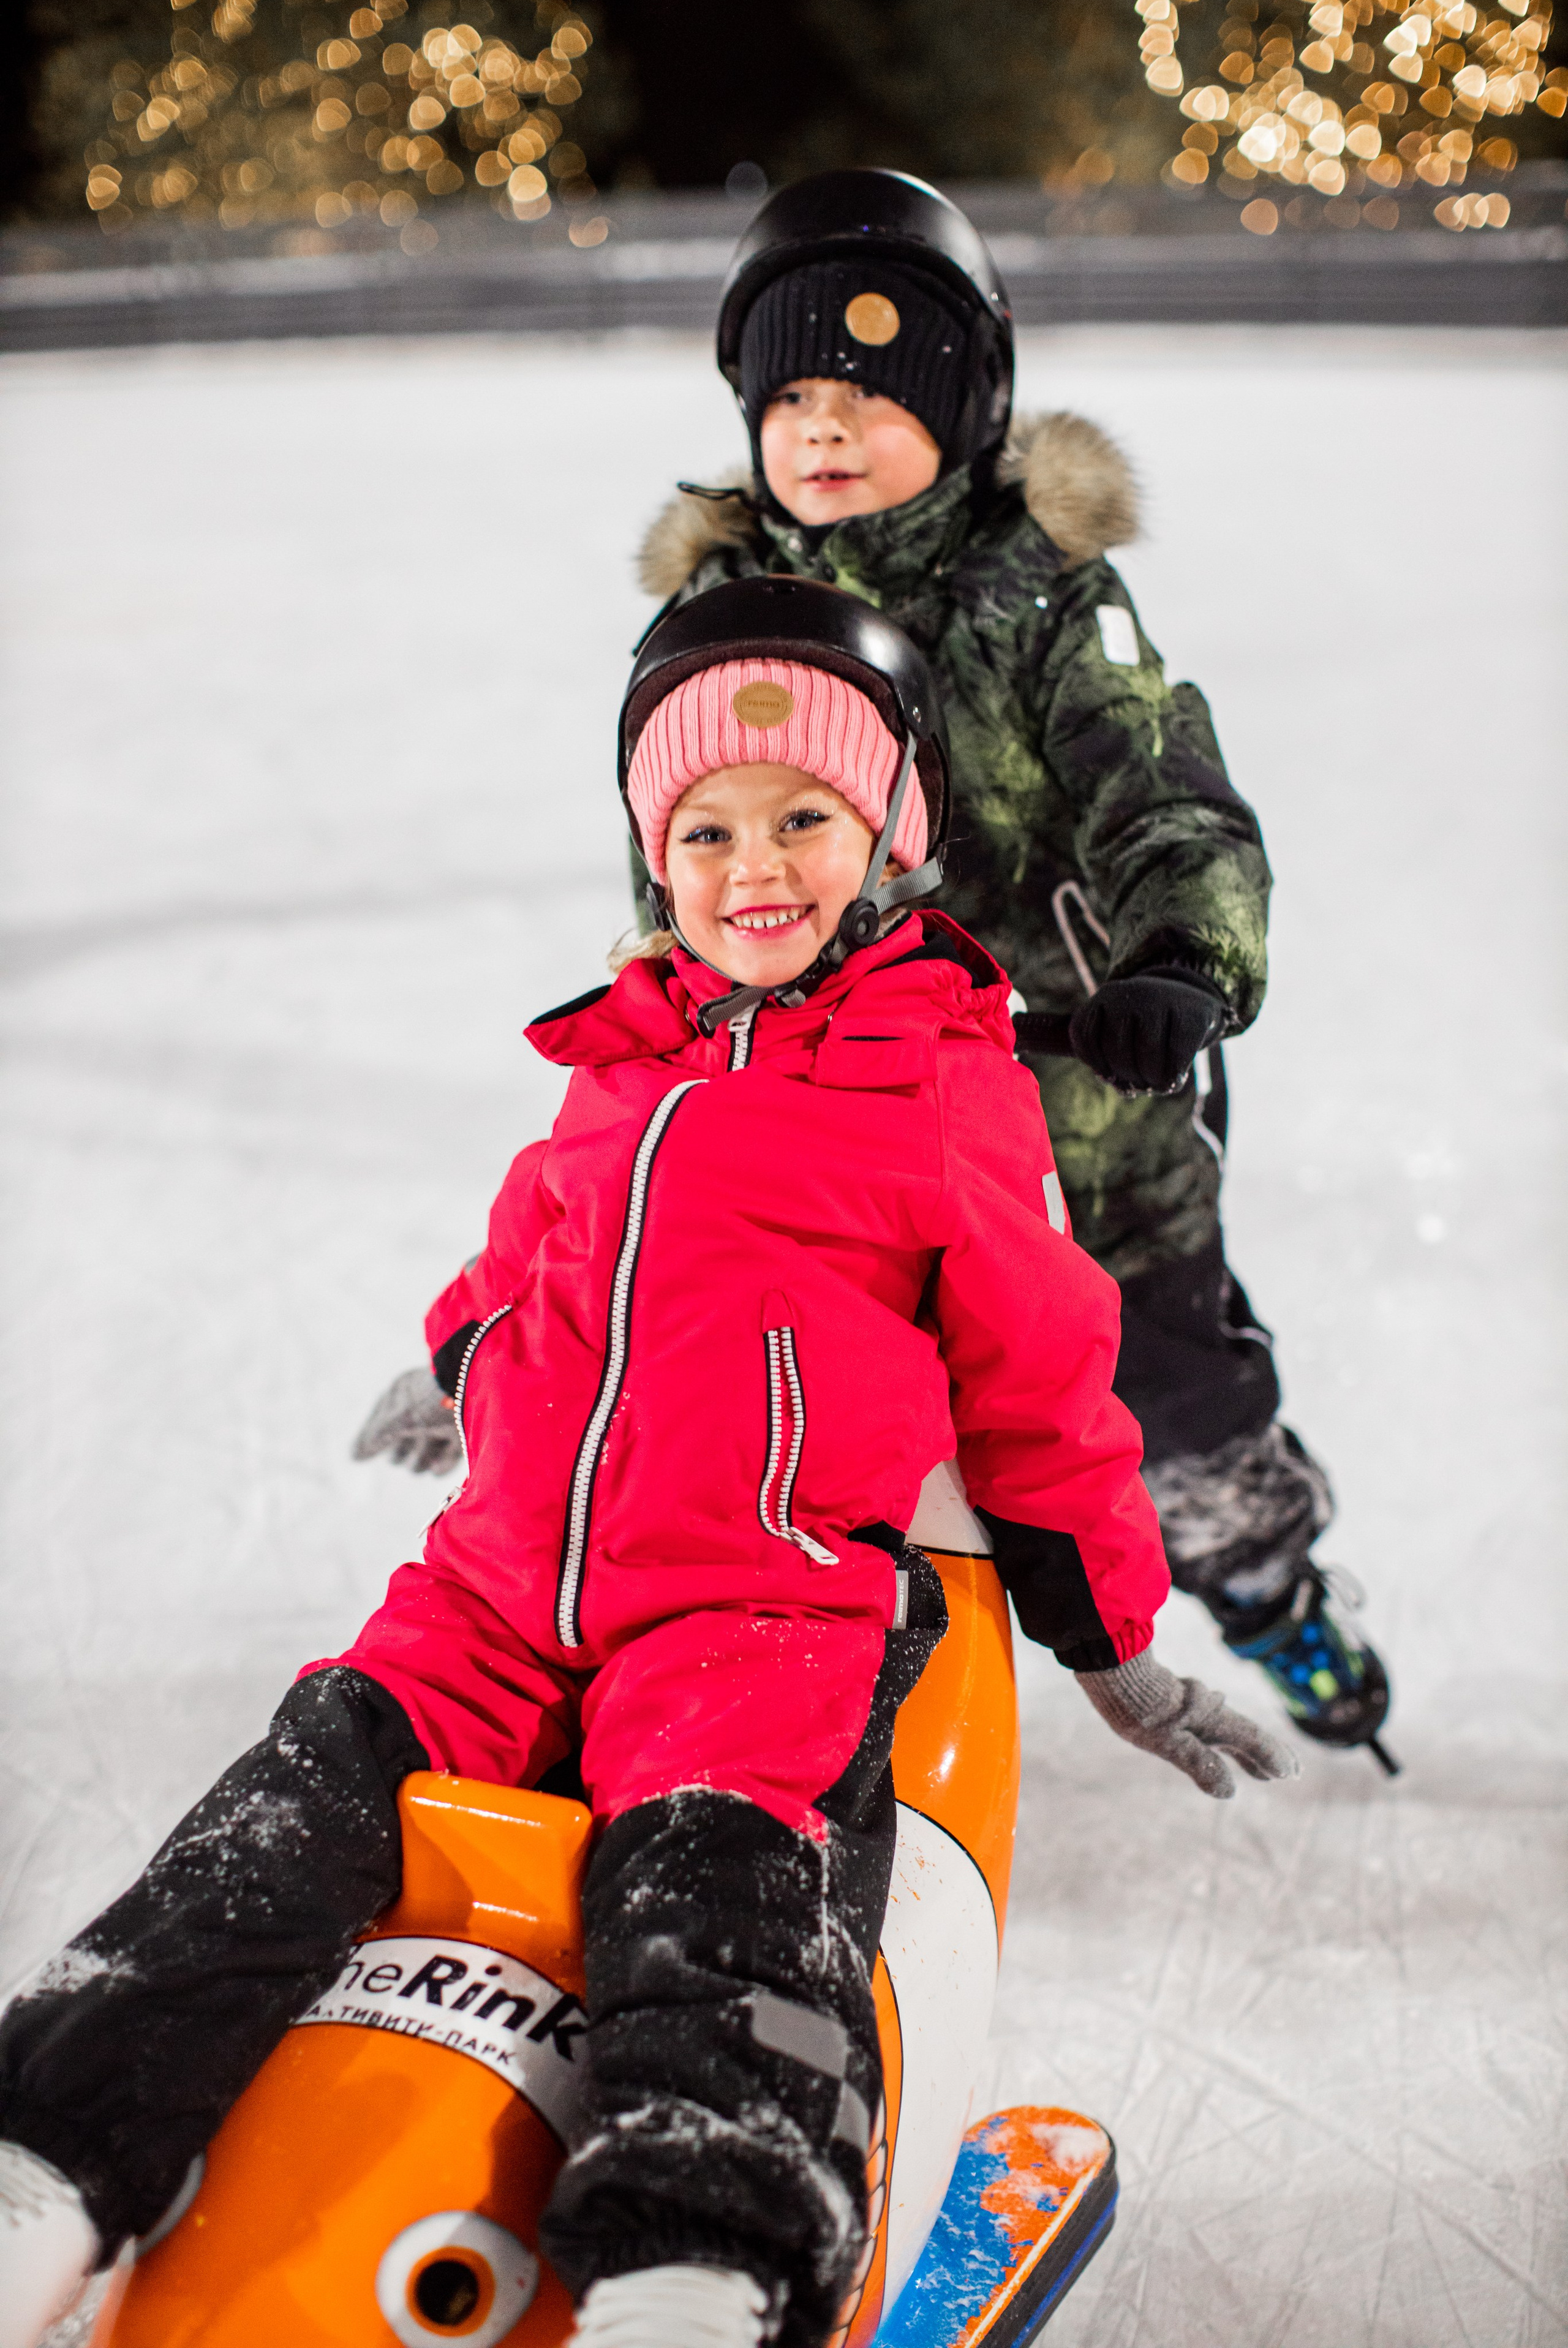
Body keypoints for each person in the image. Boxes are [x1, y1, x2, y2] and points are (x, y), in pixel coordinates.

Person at [0, 581, 1295, 2348]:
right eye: (706, 829)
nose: (755, 867)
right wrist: (462, 1356)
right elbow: (540, 1244)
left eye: (804, 819)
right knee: (276, 1822)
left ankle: (700, 2261)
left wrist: (1113, 1646)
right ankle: (45, 2158)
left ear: (894, 835)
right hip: (492, 1594)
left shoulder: (942, 1086)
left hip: (754, 1614)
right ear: (654, 853)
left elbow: (1043, 1383)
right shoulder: (624, 1048)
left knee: (724, 1903)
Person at [619, 168, 1394, 1766]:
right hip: (833, 1125)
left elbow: (1166, 795)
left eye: (873, 395)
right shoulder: (725, 611)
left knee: (1165, 1407)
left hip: (1075, 1116)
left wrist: (1179, 954)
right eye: (792, 399)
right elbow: (678, 855)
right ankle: (787, 1685)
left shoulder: (1043, 598)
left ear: (968, 410)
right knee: (792, 1400)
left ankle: (1265, 1583)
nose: (825, 429)